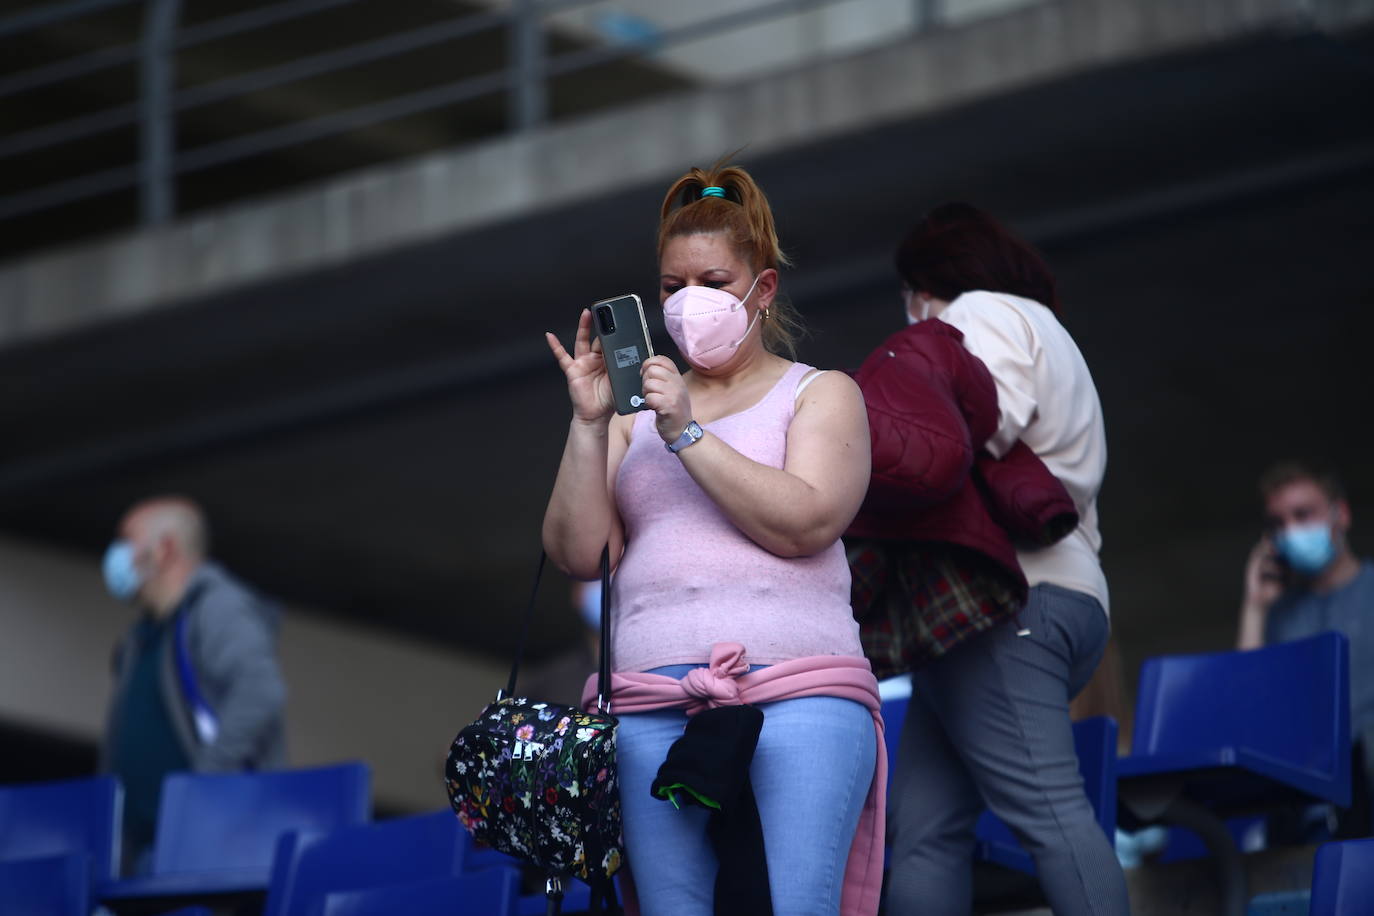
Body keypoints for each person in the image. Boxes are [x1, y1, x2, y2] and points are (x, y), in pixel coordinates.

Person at [542, 162, 883, 915]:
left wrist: (687, 432)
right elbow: (579, 553)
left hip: (800, 689)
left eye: (715, 282)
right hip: (650, 699)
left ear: (761, 291)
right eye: (672, 286)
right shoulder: (633, 416)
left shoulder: (820, 392)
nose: (690, 302)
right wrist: (589, 422)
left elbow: (806, 522)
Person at [881, 203, 1129, 915]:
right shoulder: (1054, 335)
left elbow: (972, 426)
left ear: (930, 283)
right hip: (1049, 604)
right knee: (926, 831)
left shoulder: (981, 313)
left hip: (1006, 605)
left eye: (909, 294)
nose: (909, 313)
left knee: (1052, 819)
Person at [100, 496, 287, 870]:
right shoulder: (142, 637)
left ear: (165, 548)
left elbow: (261, 690)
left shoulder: (216, 606)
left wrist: (202, 787)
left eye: (127, 540)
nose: (116, 554)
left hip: (208, 850)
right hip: (139, 855)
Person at [1236, 461, 1374, 836]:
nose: (1291, 530)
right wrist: (1255, 607)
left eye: (1303, 514)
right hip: (1303, 806)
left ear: (1340, 514)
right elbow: (1248, 705)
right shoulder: (1280, 614)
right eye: (1278, 523)